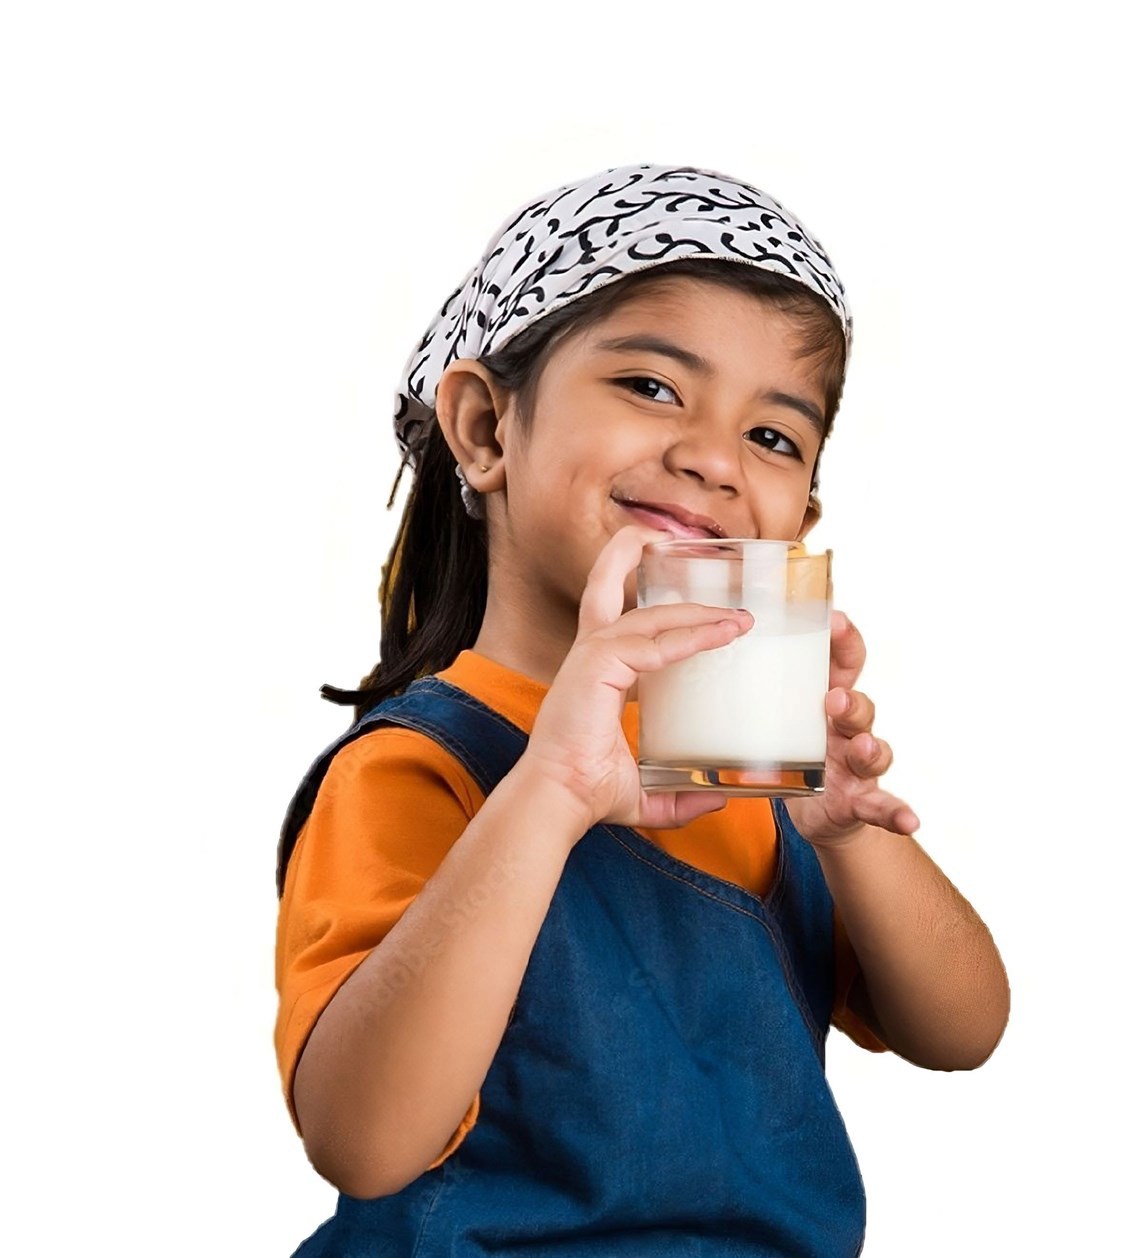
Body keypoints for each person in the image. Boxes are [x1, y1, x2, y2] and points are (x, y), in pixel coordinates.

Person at [273, 163, 1010, 1256]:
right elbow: (363, 1139)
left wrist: (850, 837)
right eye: (654, 387)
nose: (713, 458)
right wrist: (553, 792)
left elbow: (962, 1031)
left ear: (797, 517)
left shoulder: (754, 769)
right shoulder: (418, 769)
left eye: (773, 437)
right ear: (483, 426)